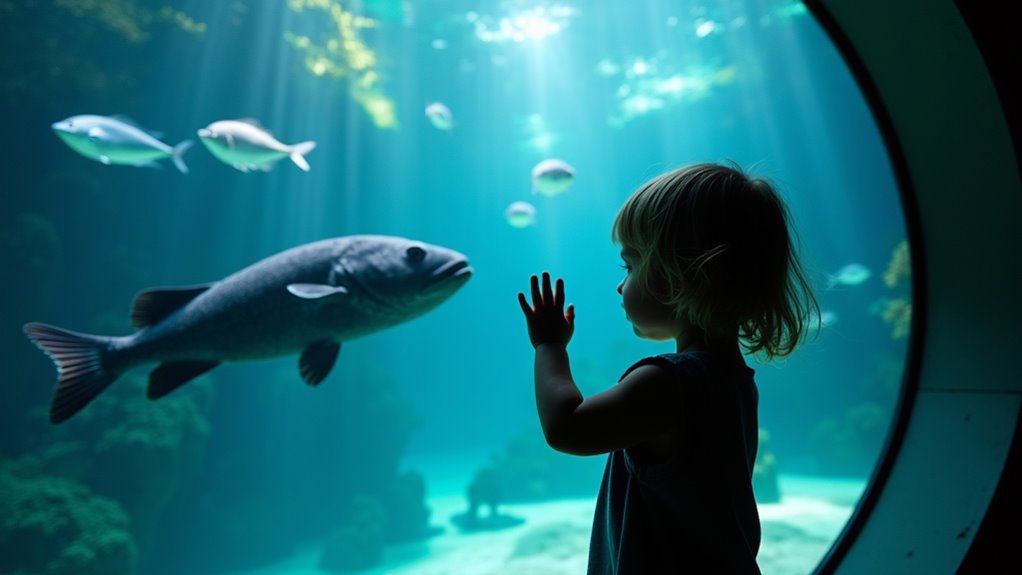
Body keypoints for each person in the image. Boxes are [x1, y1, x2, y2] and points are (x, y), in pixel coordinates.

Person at [517, 162, 819, 574]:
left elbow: (567, 428)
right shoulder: (734, 380)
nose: (621, 285)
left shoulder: (667, 383)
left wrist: (549, 345)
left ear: (687, 273)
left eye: (630, 264)